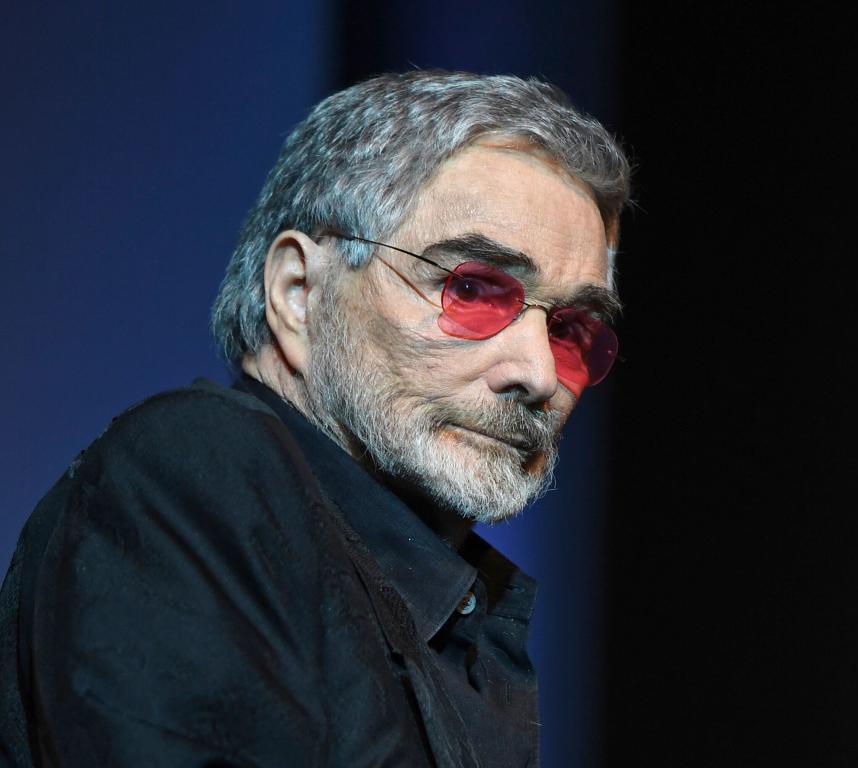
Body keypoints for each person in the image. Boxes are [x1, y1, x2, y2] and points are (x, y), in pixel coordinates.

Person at [0, 70, 630, 767]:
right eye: (473, 288)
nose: (539, 372)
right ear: (298, 293)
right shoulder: (196, 474)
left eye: (573, 330)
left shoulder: (449, 607)